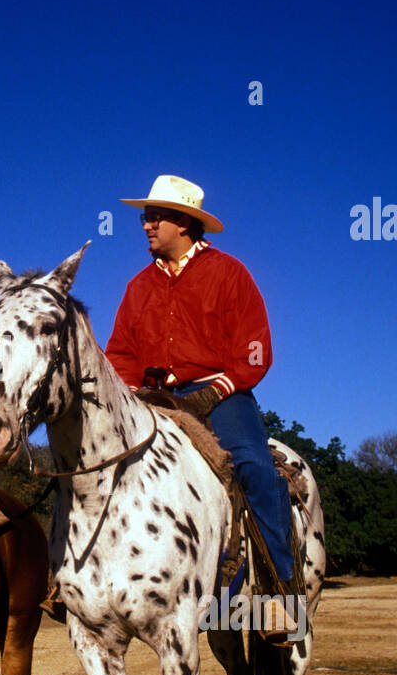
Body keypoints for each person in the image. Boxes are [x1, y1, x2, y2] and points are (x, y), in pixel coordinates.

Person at [104, 174, 302, 638]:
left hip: (222, 394)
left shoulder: (230, 273)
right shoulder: (137, 287)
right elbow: (119, 352)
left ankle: (278, 593)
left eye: (155, 217)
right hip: (153, 398)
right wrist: (130, 392)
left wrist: (216, 389)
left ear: (185, 224)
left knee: (253, 465)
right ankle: (86, 583)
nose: (146, 225)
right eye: (145, 217)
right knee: (101, 464)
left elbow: (255, 348)